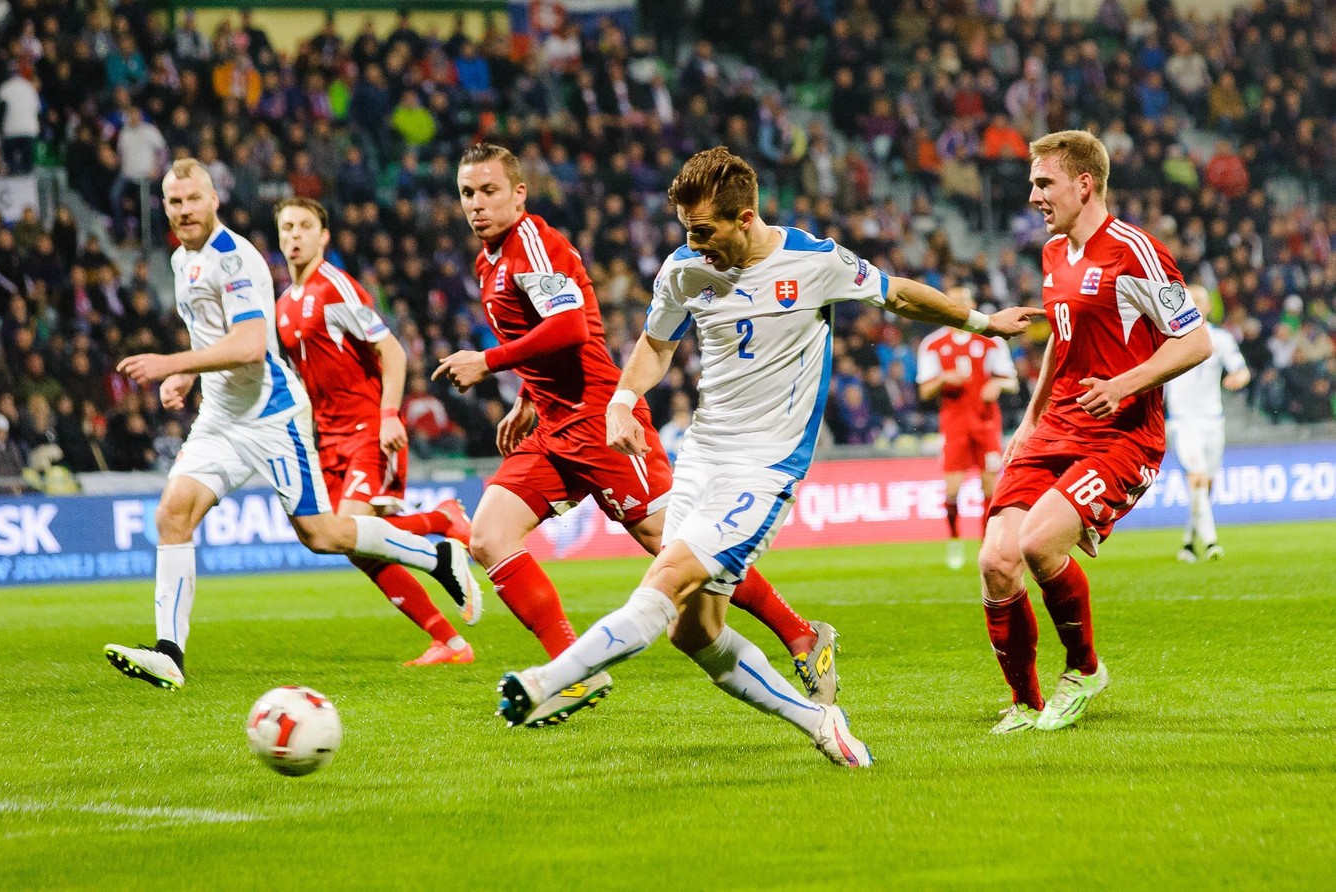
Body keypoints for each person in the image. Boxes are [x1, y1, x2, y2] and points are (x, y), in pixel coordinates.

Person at [493, 147, 1042, 766]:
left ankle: (548, 681)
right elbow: (655, 343)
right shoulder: (683, 269)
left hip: (764, 469)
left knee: (665, 580)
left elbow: (899, 296)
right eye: (686, 232)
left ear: (745, 217)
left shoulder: (814, 262)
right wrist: (622, 398)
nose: (694, 245)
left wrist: (981, 322)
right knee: (692, 631)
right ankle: (818, 721)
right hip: (702, 457)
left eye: (705, 232)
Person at [435, 143, 839, 726]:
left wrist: (490, 362)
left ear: (518, 193)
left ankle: (802, 636)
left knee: (675, 551)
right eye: (467, 193)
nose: (477, 204)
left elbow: (572, 328)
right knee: (489, 536)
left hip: (600, 422)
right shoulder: (490, 259)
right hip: (553, 426)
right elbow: (553, 331)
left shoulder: (531, 244)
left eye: (489, 190)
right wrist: (527, 394)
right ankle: (572, 674)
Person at [104, 159, 478, 690]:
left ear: (215, 200)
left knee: (322, 536)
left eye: (193, 199)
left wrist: (170, 364)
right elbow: (212, 336)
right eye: (174, 201)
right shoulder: (181, 259)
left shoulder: (234, 259)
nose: (184, 210)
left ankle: (434, 552)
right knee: (172, 514)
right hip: (220, 415)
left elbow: (251, 347)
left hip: (271, 417)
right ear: (164, 207)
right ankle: (169, 652)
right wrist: (187, 377)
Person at [977, 131, 1211, 735]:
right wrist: (1029, 420)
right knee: (997, 560)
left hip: (1122, 436)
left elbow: (1196, 339)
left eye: (1043, 183)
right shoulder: (1055, 253)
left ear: (1084, 184)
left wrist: (1126, 383)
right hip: (1056, 426)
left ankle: (1083, 670)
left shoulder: (1135, 251)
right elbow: (1062, 334)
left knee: (1037, 544)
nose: (1033, 196)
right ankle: (1025, 702)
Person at [274, 196, 480, 666]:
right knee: (354, 545)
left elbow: (394, 353)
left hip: (367, 427)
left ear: (323, 236)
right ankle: (448, 641)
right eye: (287, 227)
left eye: (305, 225)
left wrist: (389, 415)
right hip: (326, 438)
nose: (294, 235)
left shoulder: (335, 288)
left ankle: (441, 522)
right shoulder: (284, 304)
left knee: (348, 532)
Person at [916, 284, 1019, 570]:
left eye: (964, 299)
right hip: (954, 424)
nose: (960, 304)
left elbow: (1012, 380)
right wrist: (944, 378)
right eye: (954, 300)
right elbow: (924, 391)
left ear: (972, 303)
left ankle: (987, 546)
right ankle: (954, 540)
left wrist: (997, 384)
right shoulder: (933, 344)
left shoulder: (991, 340)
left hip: (986, 423)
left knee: (990, 487)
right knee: (952, 490)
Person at [1164, 284, 1251, 563]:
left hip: (1212, 421)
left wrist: (1238, 379)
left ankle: (1189, 543)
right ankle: (1212, 542)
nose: (1194, 304)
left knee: (1205, 487)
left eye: (1199, 300)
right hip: (1183, 421)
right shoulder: (1168, 338)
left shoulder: (1221, 339)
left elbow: (1241, 370)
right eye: (1189, 301)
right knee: (1197, 478)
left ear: (1208, 306)